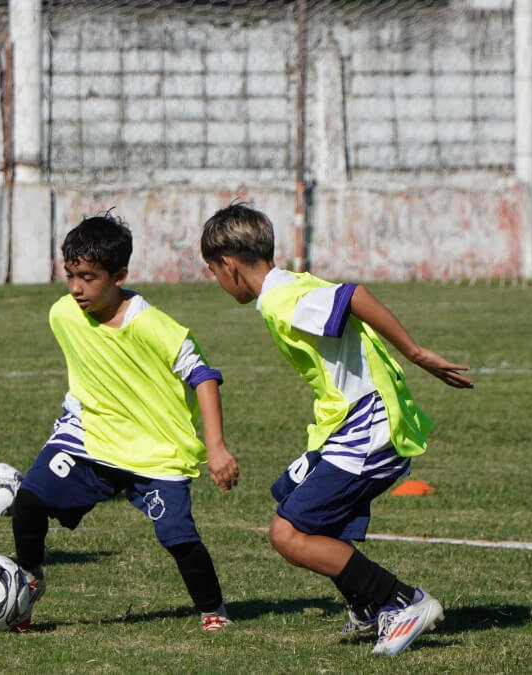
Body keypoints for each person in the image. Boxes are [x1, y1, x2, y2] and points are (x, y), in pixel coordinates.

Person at [200, 203, 473, 657]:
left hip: (369, 428)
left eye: (212, 271)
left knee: (287, 533)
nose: (216, 280)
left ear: (228, 266)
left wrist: (416, 352)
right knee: (290, 493)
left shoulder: (280, 298)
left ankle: (400, 600)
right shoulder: (287, 285)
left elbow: (354, 296)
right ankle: (366, 605)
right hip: (345, 425)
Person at [10, 212, 240, 632]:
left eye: (88, 277)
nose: (77, 287)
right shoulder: (63, 314)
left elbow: (203, 376)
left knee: (176, 535)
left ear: (119, 276)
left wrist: (216, 447)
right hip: (90, 436)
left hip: (156, 447)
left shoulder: (152, 324)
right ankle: (28, 577)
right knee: (29, 499)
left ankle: (214, 611)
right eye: (70, 274)